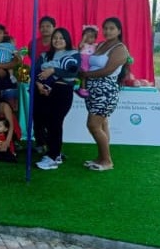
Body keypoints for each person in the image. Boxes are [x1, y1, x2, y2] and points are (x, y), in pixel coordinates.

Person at [81, 17, 130, 172]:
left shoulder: (120, 48)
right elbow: (87, 58)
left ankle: (108, 161)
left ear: (119, 31)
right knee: (102, 124)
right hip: (92, 90)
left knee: (93, 125)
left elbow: (108, 70)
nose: (108, 31)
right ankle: (101, 157)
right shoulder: (101, 44)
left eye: (112, 28)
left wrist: (86, 75)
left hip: (106, 91)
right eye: (105, 28)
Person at [33, 27, 80, 170]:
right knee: (46, 122)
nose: (57, 40)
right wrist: (38, 84)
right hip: (44, 92)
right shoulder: (45, 55)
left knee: (55, 122)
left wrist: (53, 70)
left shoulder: (73, 54)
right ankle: (55, 153)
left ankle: (53, 157)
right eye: (55, 38)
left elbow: (72, 73)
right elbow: (35, 71)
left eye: (61, 38)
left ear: (67, 40)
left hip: (62, 92)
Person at [76, 25, 99, 98]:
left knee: (90, 77)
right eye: (87, 37)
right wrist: (83, 39)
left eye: (91, 37)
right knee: (83, 77)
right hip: (83, 64)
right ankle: (82, 89)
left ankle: (91, 89)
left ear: (95, 38)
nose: (89, 39)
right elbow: (79, 47)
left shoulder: (95, 45)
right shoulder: (83, 44)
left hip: (90, 65)